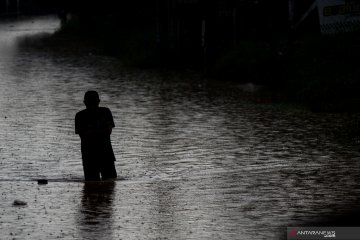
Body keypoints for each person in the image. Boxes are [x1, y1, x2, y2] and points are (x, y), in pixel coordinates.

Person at [75, 91, 117, 181]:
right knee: (109, 184)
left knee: (96, 184)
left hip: (96, 156)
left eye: (93, 102)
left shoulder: (80, 116)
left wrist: (91, 132)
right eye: (90, 102)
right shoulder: (105, 112)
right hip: (97, 155)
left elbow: (85, 135)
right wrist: (100, 132)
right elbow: (84, 136)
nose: (92, 105)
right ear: (99, 101)